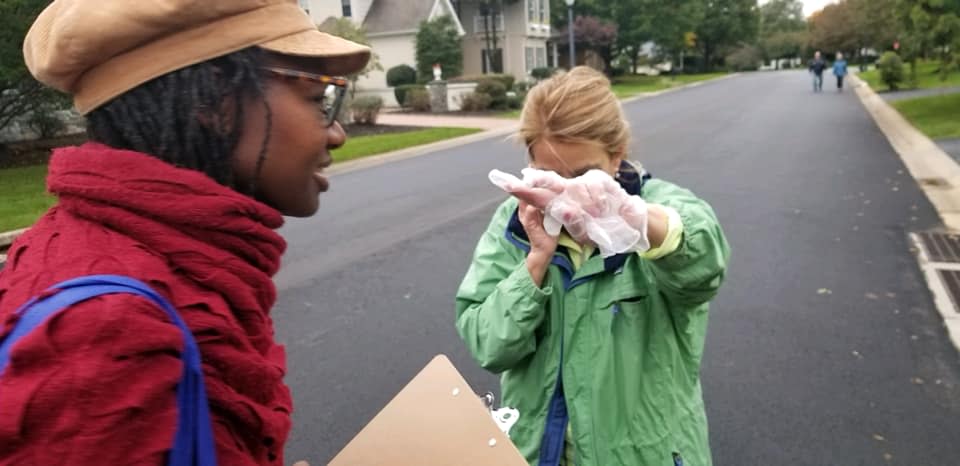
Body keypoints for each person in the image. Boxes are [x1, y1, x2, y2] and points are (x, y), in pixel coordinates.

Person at [0, 0, 369, 464]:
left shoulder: (146, 254)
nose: (336, 133)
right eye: (319, 99)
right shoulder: (106, 336)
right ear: (212, 103)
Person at [455, 66, 730, 466]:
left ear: (616, 156)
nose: (569, 195)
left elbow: (703, 268)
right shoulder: (513, 222)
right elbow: (488, 345)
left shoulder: (663, 207)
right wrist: (535, 263)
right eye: (549, 175)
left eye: (584, 174)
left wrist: (637, 223)